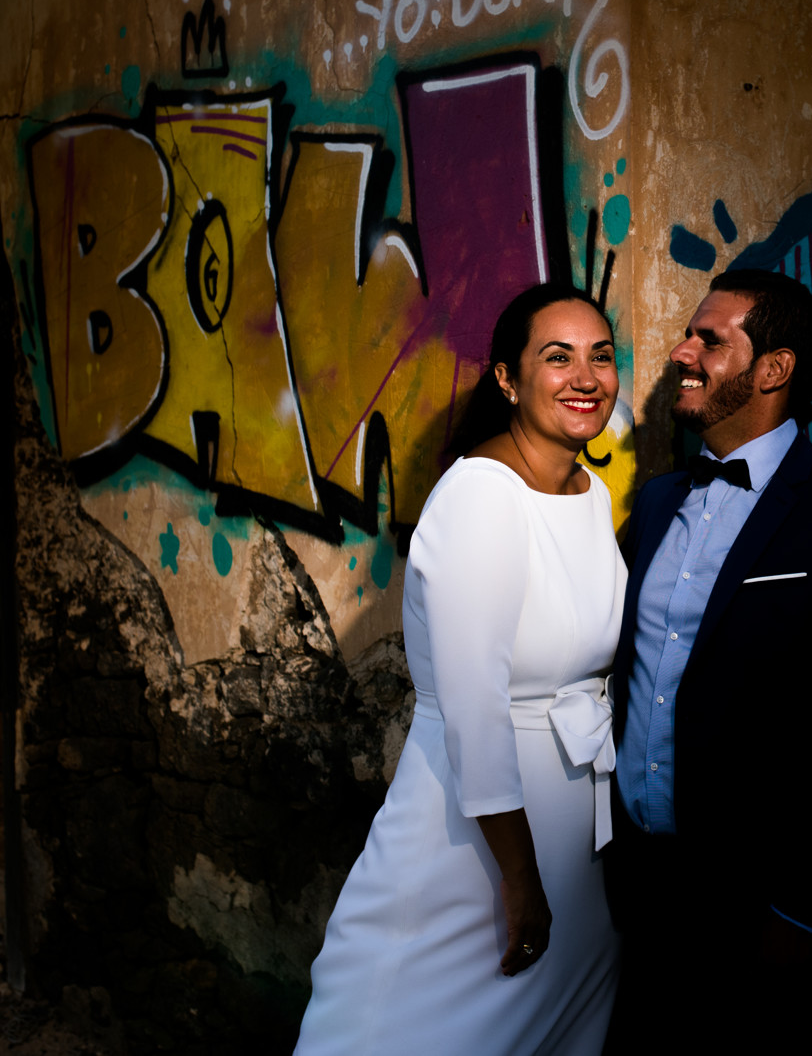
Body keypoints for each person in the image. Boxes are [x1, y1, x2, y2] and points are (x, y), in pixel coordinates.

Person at [297, 283, 627, 1056]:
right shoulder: (480, 497)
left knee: (555, 1018)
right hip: (477, 839)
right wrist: (521, 879)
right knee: (418, 1025)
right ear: (508, 379)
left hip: (574, 823)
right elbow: (478, 713)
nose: (586, 376)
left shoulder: (591, 491)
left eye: (601, 356)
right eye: (558, 357)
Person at [605, 269, 812, 1053]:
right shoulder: (654, 502)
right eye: (689, 334)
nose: (683, 351)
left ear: (773, 369)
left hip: (757, 901)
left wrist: (806, 907)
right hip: (639, 886)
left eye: (711, 339)